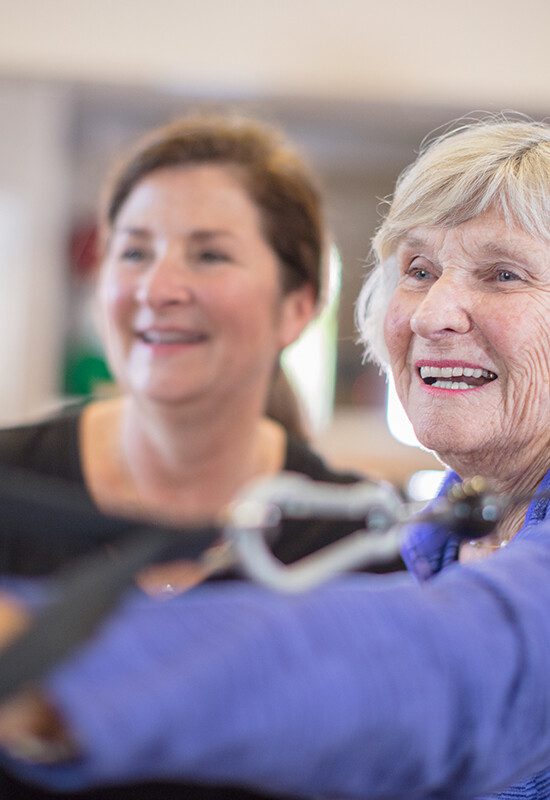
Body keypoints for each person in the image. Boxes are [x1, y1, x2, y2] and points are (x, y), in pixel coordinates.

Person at [1, 115, 550, 799]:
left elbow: (430, 666)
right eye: (418, 270)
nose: (433, 312)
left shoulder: (363, 550)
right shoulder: (422, 540)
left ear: (297, 308)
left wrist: (50, 666)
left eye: (503, 275)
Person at [0, 114, 377, 799]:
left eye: (209, 255)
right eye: (134, 252)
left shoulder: (351, 543)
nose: (158, 288)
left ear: (296, 307)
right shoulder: (9, 486)